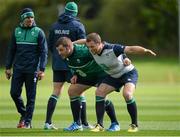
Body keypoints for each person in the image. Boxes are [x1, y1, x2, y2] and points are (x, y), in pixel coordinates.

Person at [75, 32, 156, 132]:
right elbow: (83, 41)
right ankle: (100, 125)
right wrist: (72, 43)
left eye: (92, 46)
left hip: (128, 73)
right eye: (89, 47)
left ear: (99, 43)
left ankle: (134, 125)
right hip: (114, 76)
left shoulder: (112, 48)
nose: (91, 49)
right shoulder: (91, 48)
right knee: (99, 93)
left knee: (127, 94)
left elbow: (130, 49)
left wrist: (145, 50)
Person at [55, 37, 132, 131]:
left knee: (102, 97)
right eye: (58, 50)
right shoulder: (65, 55)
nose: (59, 53)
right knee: (72, 91)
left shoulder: (84, 51)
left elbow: (109, 48)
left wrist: (125, 57)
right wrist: (74, 74)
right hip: (86, 76)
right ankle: (77, 124)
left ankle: (115, 123)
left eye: (61, 50)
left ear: (68, 48)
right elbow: (74, 65)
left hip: (100, 75)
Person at [44, 1, 91, 130]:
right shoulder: (78, 25)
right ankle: (84, 123)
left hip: (57, 63)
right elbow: (83, 46)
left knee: (56, 91)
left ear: (65, 11)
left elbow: (51, 46)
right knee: (79, 93)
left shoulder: (54, 26)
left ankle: (47, 123)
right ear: (75, 13)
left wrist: (58, 56)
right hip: (73, 65)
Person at [5, 8, 48, 129]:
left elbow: (43, 52)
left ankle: (27, 122)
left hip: (32, 70)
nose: (30, 19)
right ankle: (24, 114)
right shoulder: (16, 31)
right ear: (23, 19)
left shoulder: (39, 32)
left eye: (32, 17)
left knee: (31, 97)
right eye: (28, 17)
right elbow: (11, 50)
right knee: (14, 93)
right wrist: (8, 67)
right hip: (18, 68)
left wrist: (42, 69)